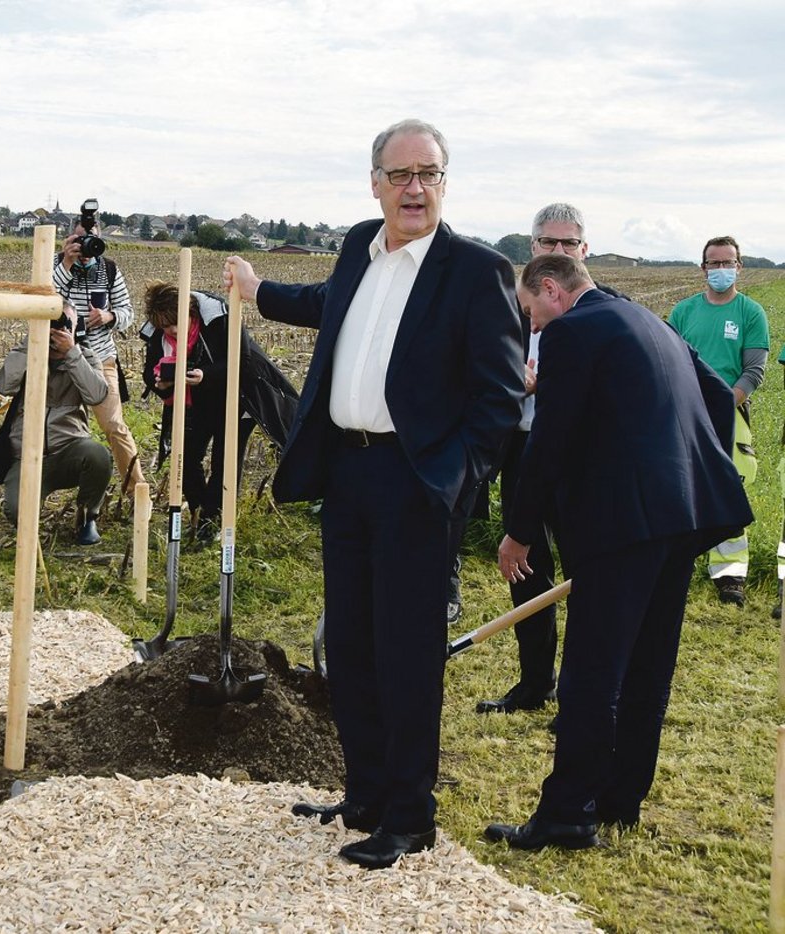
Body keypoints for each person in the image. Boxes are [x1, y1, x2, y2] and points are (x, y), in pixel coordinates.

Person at [223, 118, 525, 870]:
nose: (414, 188)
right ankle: (362, 794)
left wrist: (450, 481)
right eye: (400, 175)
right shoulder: (360, 243)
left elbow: (499, 404)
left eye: (429, 174)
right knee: (351, 646)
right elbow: (331, 303)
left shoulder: (476, 271)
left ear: (445, 183)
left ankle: (409, 816)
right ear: (375, 183)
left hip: (416, 484)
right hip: (348, 477)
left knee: (406, 653)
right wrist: (259, 293)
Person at [486, 253, 751, 850]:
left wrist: (520, 530)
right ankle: (619, 799)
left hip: (624, 522)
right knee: (648, 666)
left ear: (550, 290)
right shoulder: (648, 319)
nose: (531, 327)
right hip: (684, 513)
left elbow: (547, 442)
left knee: (592, 672)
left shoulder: (573, 332)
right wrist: (680, 464)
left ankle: (567, 815)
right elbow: (715, 394)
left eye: (530, 313)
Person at [474, 203, 625, 716]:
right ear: (532, 248)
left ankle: (583, 699)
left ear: (583, 250)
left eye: (568, 243)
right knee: (525, 571)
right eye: (547, 243)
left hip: (582, 462)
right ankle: (535, 683)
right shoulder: (510, 311)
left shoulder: (608, 310)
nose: (557, 251)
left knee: (585, 575)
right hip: (521, 451)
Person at [139, 283, 298, 542]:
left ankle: (213, 520)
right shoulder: (157, 333)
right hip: (193, 402)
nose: (173, 331)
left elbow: (242, 359)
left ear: (190, 311)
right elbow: (149, 371)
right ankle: (200, 510)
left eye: (177, 323)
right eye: (166, 327)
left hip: (238, 396)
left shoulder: (218, 317)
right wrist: (161, 383)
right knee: (186, 459)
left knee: (224, 461)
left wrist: (205, 375)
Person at [666, 236, 768, 607]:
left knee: (728, 489)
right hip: (685, 412)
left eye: (728, 263)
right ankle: (675, 561)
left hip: (729, 412)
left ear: (739, 267)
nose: (720, 270)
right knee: (681, 486)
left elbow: (754, 370)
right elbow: (670, 362)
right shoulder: (683, 312)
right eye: (713, 263)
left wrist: (723, 403)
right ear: (703, 268)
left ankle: (729, 576)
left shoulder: (750, 312)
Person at [0, 303, 111, 545]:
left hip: (69, 449)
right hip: (26, 455)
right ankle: (32, 519)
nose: (57, 331)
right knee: (18, 513)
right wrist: (31, 345)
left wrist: (71, 354)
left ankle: (87, 518)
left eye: (64, 324)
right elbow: (4, 386)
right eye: (52, 323)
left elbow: (97, 395)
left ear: (75, 327)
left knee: (98, 455)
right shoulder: (30, 352)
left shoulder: (84, 356)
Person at [53, 214, 144, 499]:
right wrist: (66, 264)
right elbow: (44, 297)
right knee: (53, 426)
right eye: (78, 240)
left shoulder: (110, 270)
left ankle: (137, 492)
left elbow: (128, 313)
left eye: (90, 240)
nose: (84, 247)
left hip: (101, 359)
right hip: (60, 361)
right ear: (68, 240)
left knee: (114, 425)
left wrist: (109, 316)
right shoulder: (56, 265)